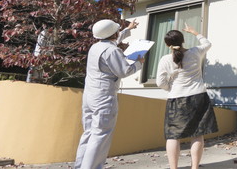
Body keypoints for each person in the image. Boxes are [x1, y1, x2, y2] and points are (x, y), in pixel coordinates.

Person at [75, 19, 143, 169]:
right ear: (114, 33)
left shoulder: (95, 47)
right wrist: (139, 63)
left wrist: (128, 29)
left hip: (90, 95)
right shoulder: (113, 51)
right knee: (100, 135)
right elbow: (124, 71)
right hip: (104, 96)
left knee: (89, 133)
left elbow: (112, 40)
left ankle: (80, 166)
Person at [156, 24, 218, 169]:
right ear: (183, 41)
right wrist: (194, 32)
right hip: (198, 97)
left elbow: (160, 82)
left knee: (173, 135)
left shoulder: (165, 59)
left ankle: (173, 167)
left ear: (167, 45)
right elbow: (207, 43)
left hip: (176, 99)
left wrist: (171, 88)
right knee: (197, 133)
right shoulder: (195, 52)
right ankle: (194, 167)